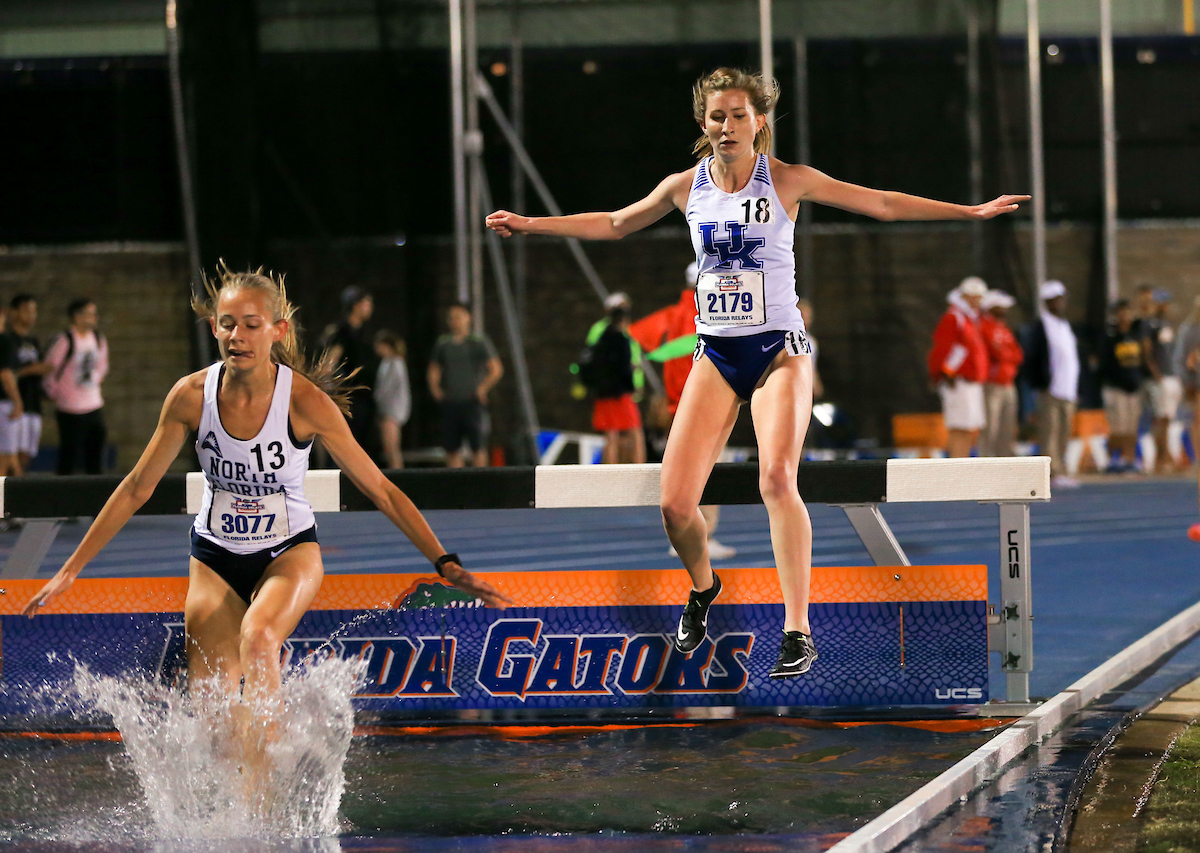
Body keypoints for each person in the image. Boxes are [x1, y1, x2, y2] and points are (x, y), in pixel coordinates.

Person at [485, 66, 1027, 677]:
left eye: (739, 115)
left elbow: (880, 204)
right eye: (717, 117)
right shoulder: (684, 188)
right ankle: (702, 587)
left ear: (759, 122)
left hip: (779, 353)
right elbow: (612, 224)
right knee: (674, 506)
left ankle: (797, 628)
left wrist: (970, 212)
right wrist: (531, 225)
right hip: (716, 353)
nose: (727, 126)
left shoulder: (788, 181)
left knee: (776, 478)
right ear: (703, 124)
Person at [21, 268, 511, 764]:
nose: (238, 336)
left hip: (288, 552)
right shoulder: (191, 397)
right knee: (215, 721)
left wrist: (445, 563)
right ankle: (242, 802)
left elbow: (381, 489)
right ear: (213, 327)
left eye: (252, 324)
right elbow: (134, 489)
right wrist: (70, 570)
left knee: (258, 640)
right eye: (227, 323)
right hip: (214, 557)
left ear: (278, 330)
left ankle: (267, 810)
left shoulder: (305, 403)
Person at [629, 262, 737, 560]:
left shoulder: (672, 313)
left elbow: (633, 337)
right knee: (708, 472)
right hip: (706, 403)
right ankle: (703, 538)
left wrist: (651, 376)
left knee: (686, 473)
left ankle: (685, 538)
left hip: (678, 403)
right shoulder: (709, 311)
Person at [427, 304, 503, 468]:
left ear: (468, 317)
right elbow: (434, 369)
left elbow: (496, 369)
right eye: (451, 317)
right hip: (450, 401)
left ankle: (480, 485)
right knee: (452, 448)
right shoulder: (443, 343)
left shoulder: (478, 341)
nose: (455, 320)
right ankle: (456, 486)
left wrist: (482, 389)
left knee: (478, 446)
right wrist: (436, 390)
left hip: (472, 402)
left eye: (459, 316)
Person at [1025, 280, 1081, 489]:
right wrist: (1041, 383)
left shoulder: (1064, 325)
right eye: (1053, 300)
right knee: (1050, 432)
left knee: (1064, 432)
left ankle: (1061, 469)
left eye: (1060, 299)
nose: (1058, 304)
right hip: (1050, 389)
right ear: (1047, 302)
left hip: (1068, 389)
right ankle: (1050, 473)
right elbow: (1034, 358)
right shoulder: (1041, 326)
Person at [43, 298, 109, 475]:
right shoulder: (65, 340)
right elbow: (51, 368)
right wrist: (54, 392)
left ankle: (95, 494)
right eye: (89, 314)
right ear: (77, 317)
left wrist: (95, 384)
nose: (94, 318)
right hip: (69, 407)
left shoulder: (98, 339)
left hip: (93, 404)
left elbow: (102, 366)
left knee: (95, 455)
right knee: (69, 455)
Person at [928, 277, 989, 458]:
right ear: (964, 296)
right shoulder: (954, 318)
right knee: (959, 428)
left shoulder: (968, 318)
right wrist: (946, 373)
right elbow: (943, 349)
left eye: (979, 298)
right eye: (974, 297)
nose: (977, 302)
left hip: (970, 382)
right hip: (958, 382)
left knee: (969, 429)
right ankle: (956, 470)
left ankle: (961, 468)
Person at [583, 293, 646, 464]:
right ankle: (637, 473)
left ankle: (610, 474)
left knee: (611, 434)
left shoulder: (603, 332)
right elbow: (625, 363)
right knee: (634, 432)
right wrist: (632, 383)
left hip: (605, 391)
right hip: (621, 391)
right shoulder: (619, 333)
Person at [323, 287, 378, 461]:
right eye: (367, 303)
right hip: (350, 400)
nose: (370, 307)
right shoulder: (342, 333)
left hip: (365, 398)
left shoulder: (364, 332)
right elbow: (329, 364)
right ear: (356, 305)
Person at [1098, 299, 1145, 471]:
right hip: (1116, 388)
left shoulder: (1134, 335)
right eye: (1121, 313)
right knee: (1118, 428)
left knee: (1132, 427)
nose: (1125, 316)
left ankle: (1129, 459)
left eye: (1127, 312)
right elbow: (1104, 364)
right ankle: (1112, 459)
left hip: (1133, 387)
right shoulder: (1110, 337)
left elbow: (1140, 361)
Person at [7, 294, 52, 473]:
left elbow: (42, 367)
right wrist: (30, 370)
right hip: (14, 405)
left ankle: (16, 491)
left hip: (33, 403)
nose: (31, 316)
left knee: (26, 454)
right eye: (26, 311)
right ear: (14, 312)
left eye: (34, 312)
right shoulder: (8, 340)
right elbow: (9, 372)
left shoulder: (33, 341)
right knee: (10, 454)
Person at [1142, 289, 1183, 473]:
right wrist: (1156, 373)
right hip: (1160, 378)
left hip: (1170, 374)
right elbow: (1147, 350)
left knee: (1167, 419)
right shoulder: (1149, 324)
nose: (1164, 306)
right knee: (1160, 418)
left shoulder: (1165, 323)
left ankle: (1166, 457)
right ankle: (1161, 459)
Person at [978, 289, 1023, 457]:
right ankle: (987, 462)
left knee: (1008, 427)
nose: (1005, 310)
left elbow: (1018, 354)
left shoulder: (1003, 328)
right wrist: (1006, 355)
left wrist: (1006, 355)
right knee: (990, 427)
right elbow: (996, 353)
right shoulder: (984, 326)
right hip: (991, 385)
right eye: (1001, 307)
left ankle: (1006, 463)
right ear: (991, 307)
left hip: (1008, 383)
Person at [373, 329, 411, 470]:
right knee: (388, 447)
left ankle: (397, 475)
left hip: (392, 411)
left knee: (392, 447)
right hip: (387, 410)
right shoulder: (387, 362)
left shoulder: (395, 362)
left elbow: (389, 389)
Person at [0, 309, 21, 477]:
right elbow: (6, 374)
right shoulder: (5, 341)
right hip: (3, 403)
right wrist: (17, 401)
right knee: (6, 455)